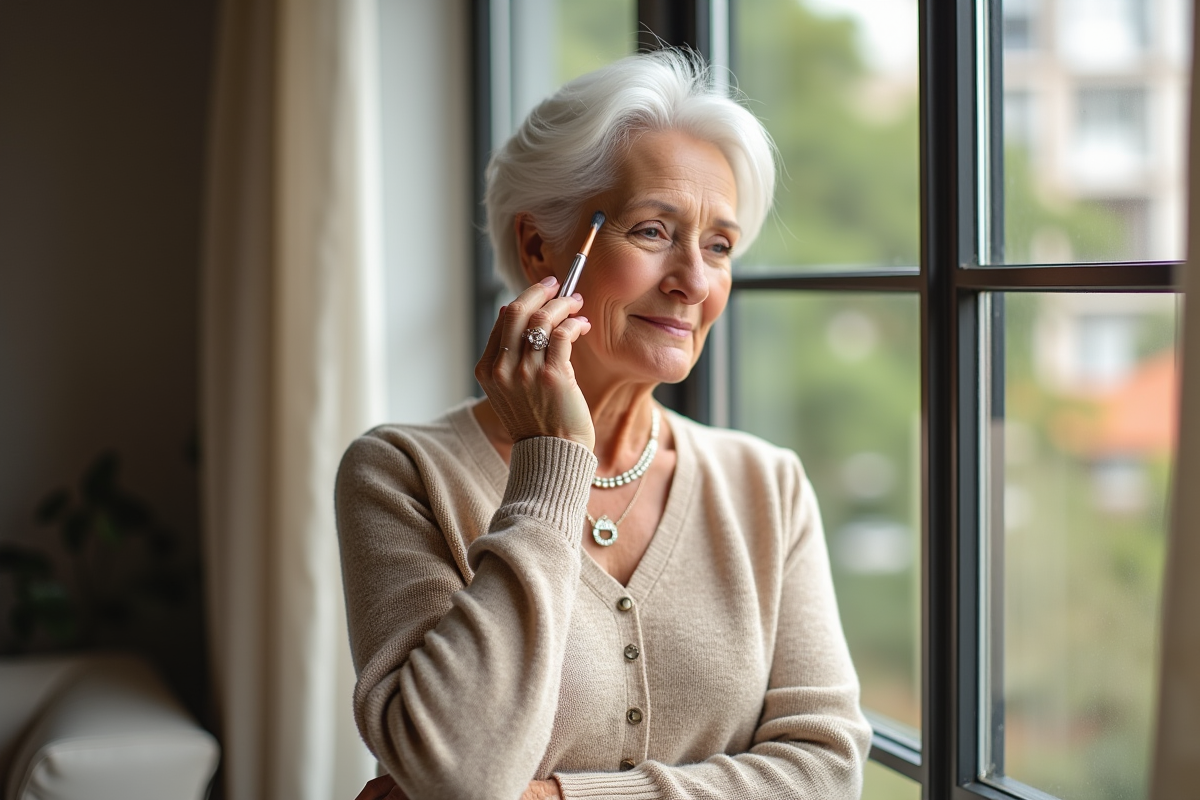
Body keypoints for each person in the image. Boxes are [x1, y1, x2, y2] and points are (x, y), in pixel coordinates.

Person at [336, 49, 872, 800]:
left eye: (718, 245)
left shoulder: (767, 484)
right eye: (653, 231)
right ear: (537, 247)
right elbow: (456, 769)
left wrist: (551, 799)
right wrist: (553, 462)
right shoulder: (399, 474)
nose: (693, 280)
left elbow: (827, 769)